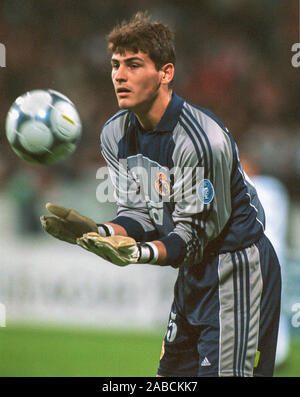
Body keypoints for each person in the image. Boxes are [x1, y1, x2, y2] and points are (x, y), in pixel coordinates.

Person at [41, 12, 281, 377]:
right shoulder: (115, 134)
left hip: (237, 268)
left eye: (134, 65)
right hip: (192, 274)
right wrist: (98, 231)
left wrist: (136, 253)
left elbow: (194, 237)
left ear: (165, 73)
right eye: (116, 65)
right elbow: (138, 213)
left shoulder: (201, 140)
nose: (119, 76)